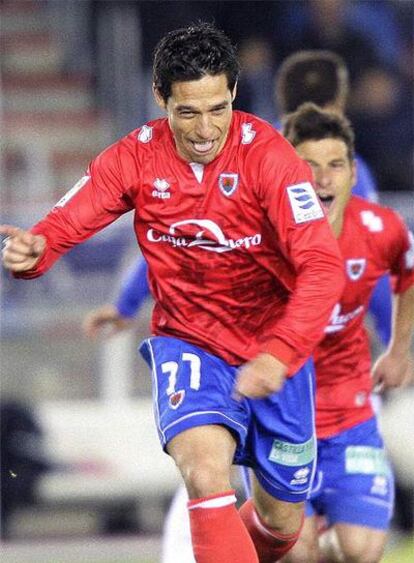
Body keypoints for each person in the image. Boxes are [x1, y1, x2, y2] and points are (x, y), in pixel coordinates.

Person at [0, 23, 345, 562]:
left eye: (217, 109)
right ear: (161, 97)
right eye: (187, 112)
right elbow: (65, 222)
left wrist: (281, 351)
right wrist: (34, 252)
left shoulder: (271, 159)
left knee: (282, 524)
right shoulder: (135, 158)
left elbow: (323, 265)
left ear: (233, 92)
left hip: (273, 350)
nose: (205, 129)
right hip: (189, 343)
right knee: (206, 472)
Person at [279, 103, 414, 563]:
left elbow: (408, 273)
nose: (322, 178)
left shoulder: (379, 228)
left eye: (335, 165)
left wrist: (398, 350)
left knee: (362, 549)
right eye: (308, 166)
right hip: (281, 419)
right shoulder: (262, 235)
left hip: (350, 416)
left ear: (353, 173)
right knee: (296, 554)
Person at [275, 48, 393, 347]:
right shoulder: (347, 170)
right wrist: (392, 338)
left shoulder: (243, 154)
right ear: (334, 107)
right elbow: (368, 258)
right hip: (316, 336)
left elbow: (188, 230)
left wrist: (134, 300)